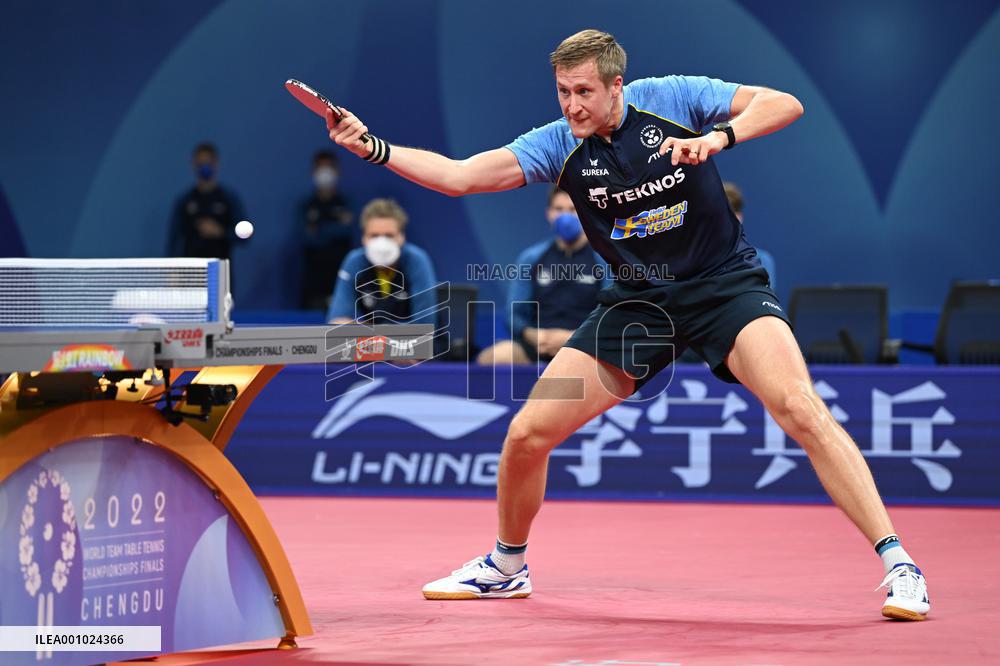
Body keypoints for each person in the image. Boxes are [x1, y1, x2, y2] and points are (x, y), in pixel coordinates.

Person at [324, 29, 929, 620]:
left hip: (724, 287)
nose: (571, 105)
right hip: (637, 304)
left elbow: (784, 103)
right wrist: (372, 147)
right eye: (562, 91)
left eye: (583, 91)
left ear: (617, 86)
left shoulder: (673, 98)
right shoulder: (559, 143)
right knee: (527, 436)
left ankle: (900, 564)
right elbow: (461, 176)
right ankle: (508, 566)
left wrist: (719, 139)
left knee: (801, 408)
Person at [477, 186, 609, 365]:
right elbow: (514, 314)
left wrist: (573, 337)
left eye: (573, 209)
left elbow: (611, 313)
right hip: (539, 344)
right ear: (549, 214)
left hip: (586, 346)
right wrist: (536, 335)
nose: (566, 216)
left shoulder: (603, 259)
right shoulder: (531, 258)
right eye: (559, 209)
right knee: (492, 357)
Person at [326, 198, 437, 325]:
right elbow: (336, 321)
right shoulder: (354, 261)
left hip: (413, 344)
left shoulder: (417, 260)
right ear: (364, 238)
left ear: (401, 237)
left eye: (389, 235)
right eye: (374, 236)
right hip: (371, 344)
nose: (381, 243)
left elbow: (425, 324)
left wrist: (367, 328)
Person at [168, 142, 246, 261]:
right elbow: (173, 239)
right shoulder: (184, 201)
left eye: (208, 162)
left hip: (220, 270)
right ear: (193, 165)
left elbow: (244, 237)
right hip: (191, 271)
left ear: (216, 164)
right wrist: (172, 269)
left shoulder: (228, 199)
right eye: (200, 163)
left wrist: (220, 232)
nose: (204, 167)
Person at [300, 150, 355, 310]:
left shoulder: (345, 203)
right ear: (313, 172)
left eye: (329, 167)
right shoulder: (306, 205)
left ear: (337, 171)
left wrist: (319, 229)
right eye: (320, 167)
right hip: (313, 279)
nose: (325, 172)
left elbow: (348, 232)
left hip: (341, 275)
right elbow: (307, 238)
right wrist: (335, 227)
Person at [724, 181, 776, 290]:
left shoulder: (762, 260)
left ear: (740, 217)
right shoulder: (696, 261)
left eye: (732, 214)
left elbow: (764, 302)